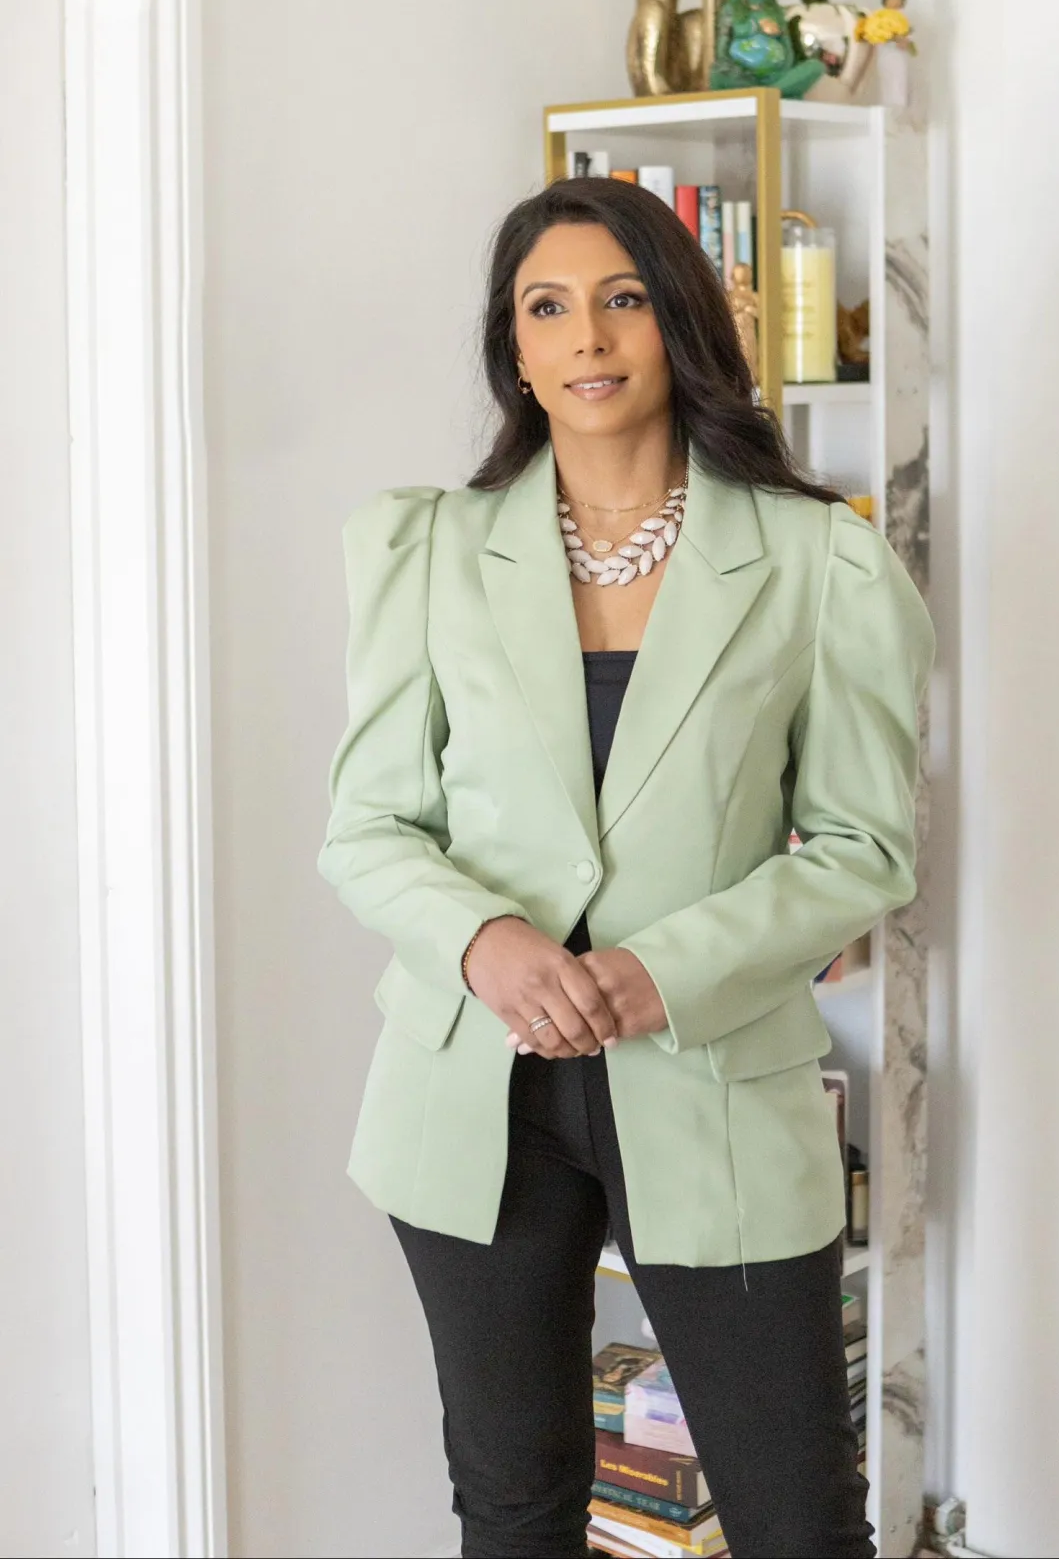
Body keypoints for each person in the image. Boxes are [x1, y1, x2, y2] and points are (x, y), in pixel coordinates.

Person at [317, 175, 936, 1559]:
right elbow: (366, 823)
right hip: (474, 1091)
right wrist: (486, 945)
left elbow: (863, 846)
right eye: (548, 307)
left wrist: (663, 970)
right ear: (516, 350)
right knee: (516, 1510)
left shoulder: (819, 562)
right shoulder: (419, 551)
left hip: (713, 1080)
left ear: (681, 323)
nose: (587, 336)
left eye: (623, 298)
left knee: (796, 1522)